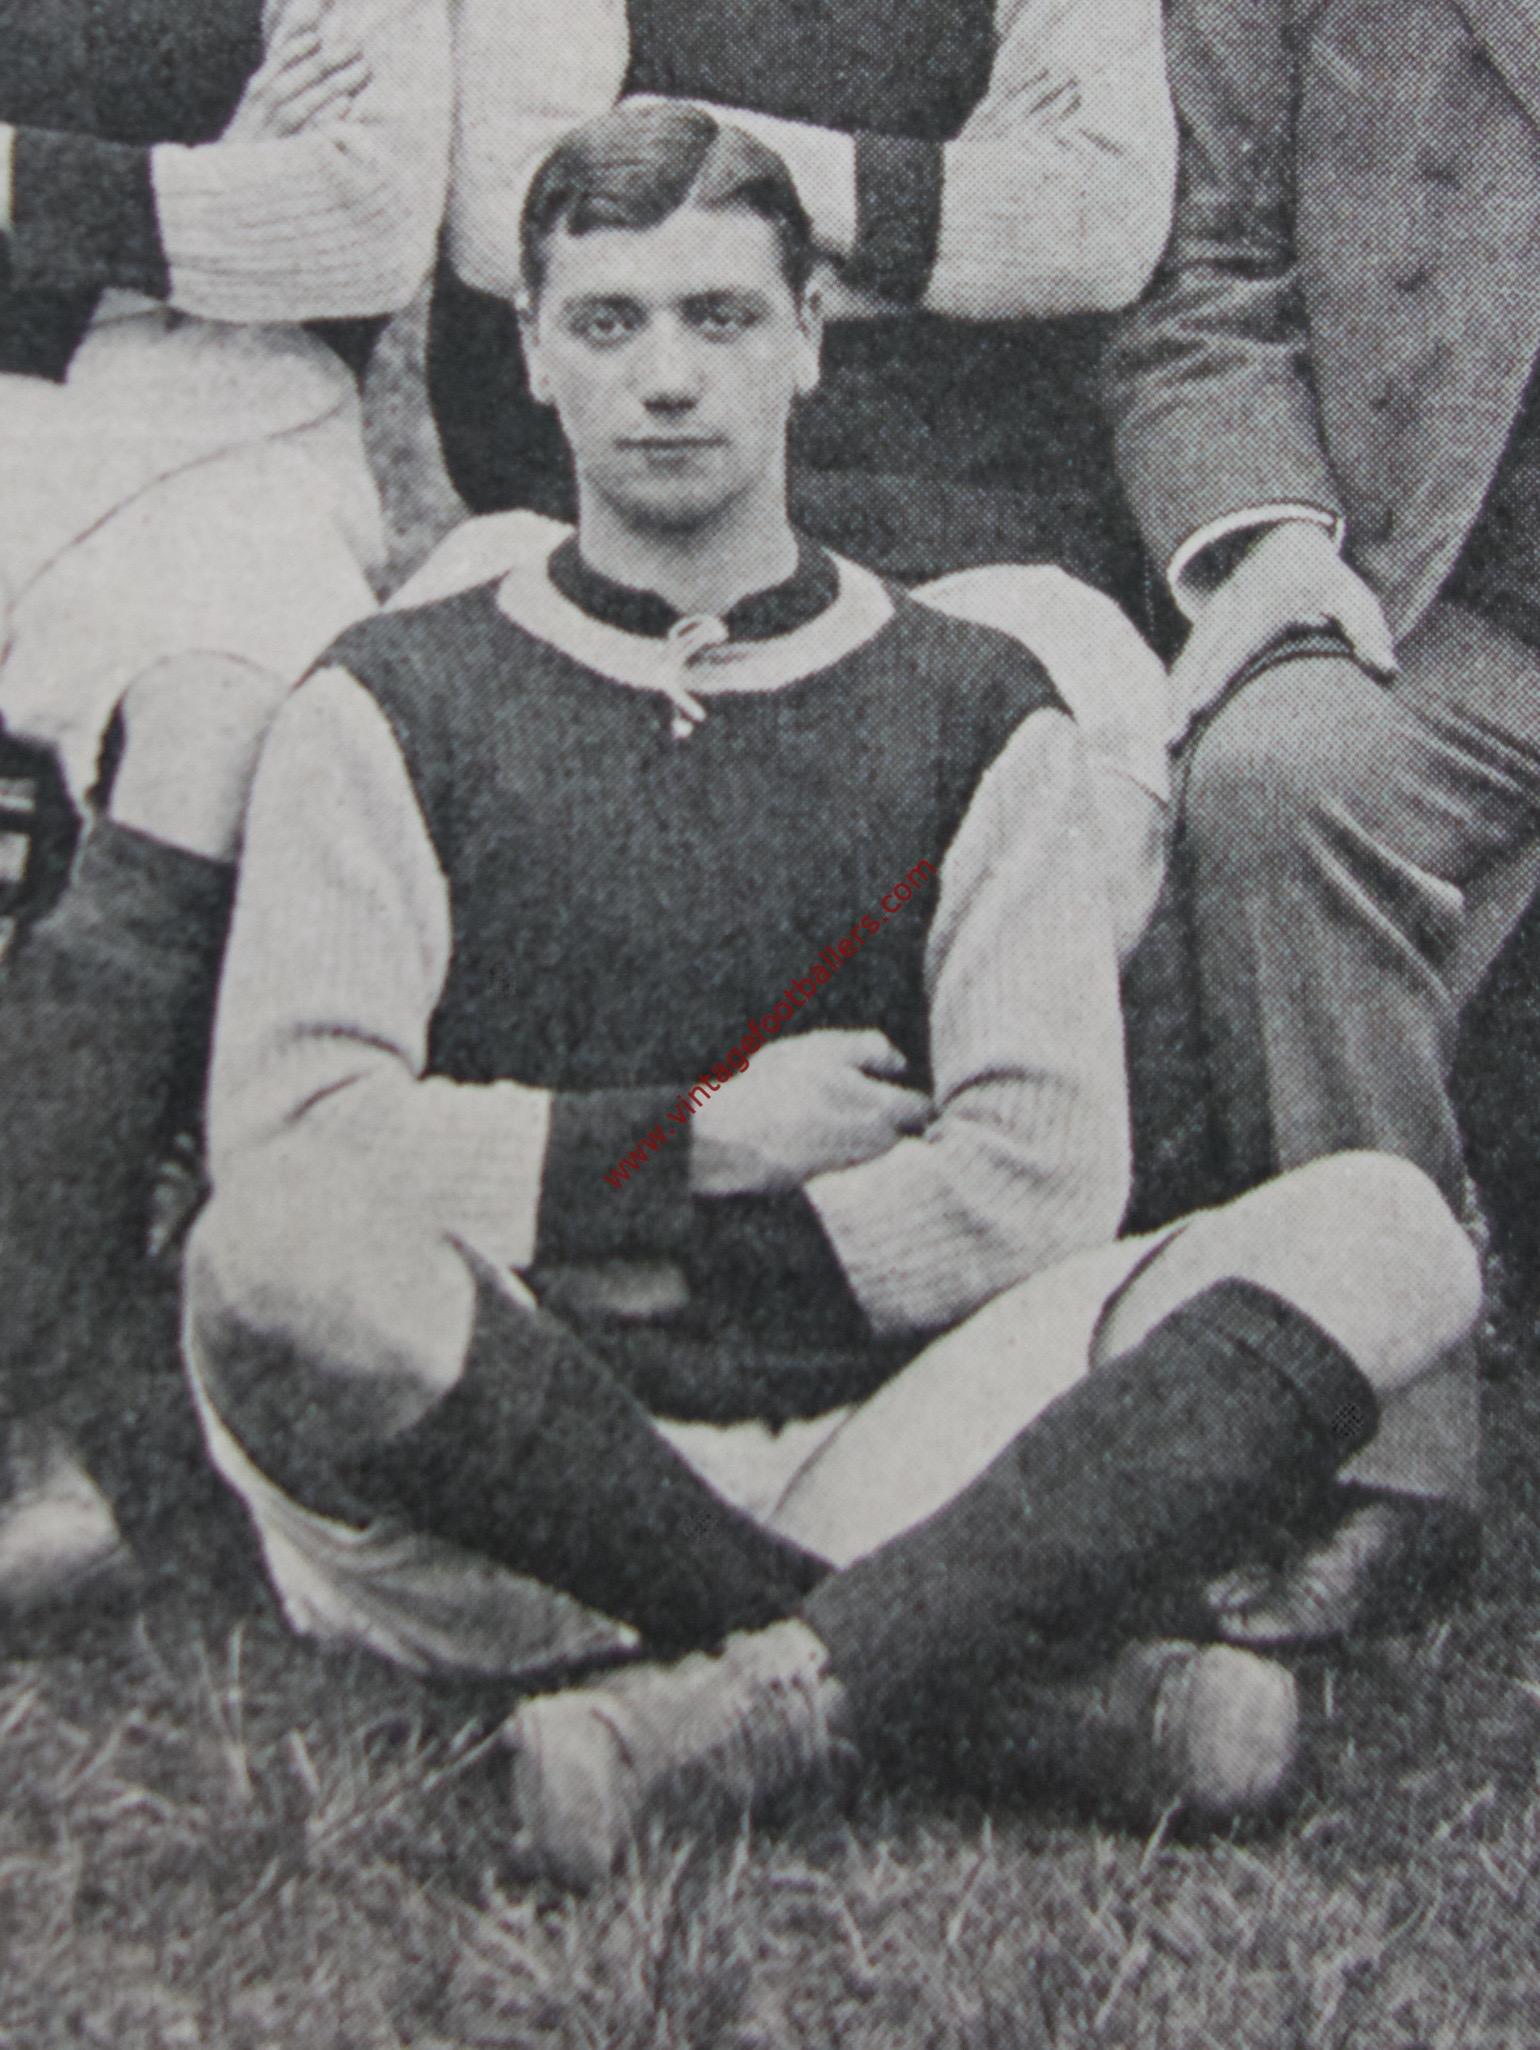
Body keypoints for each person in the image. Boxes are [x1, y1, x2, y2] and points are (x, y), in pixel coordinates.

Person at [179, 107, 1481, 1882]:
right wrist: (691, 1144)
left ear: (807, 336)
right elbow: (297, 1136)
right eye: (609, 321)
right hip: (508, 1457)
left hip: (888, 1437)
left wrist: (674, 1252)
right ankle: (979, 1688)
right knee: (274, 1251)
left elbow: (1036, 1180)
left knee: (1391, 1232)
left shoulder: (974, 701)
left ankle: (749, 1692)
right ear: (532, 352)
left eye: (720, 316)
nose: (667, 377)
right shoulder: (391, 696)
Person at [0, 0, 451, 1611]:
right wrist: (190, 203)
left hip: (233, 424)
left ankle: (33, 1383)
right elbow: (261, 220)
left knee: (235, 719)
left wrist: (27, 189)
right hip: (58, 401)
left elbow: (361, 219)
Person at [1105, 0, 1540, 1642]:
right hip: (1450, 606)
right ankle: (1393, 1446)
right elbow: (1202, 270)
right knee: (1282, 775)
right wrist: (1272, 538)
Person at [427, 0, 1180, 940]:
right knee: (413, 726)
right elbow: (509, 217)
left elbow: (1099, 225)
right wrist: (941, 212)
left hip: (966, 530)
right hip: (624, 524)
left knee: (1076, 767)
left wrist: (681, 146)